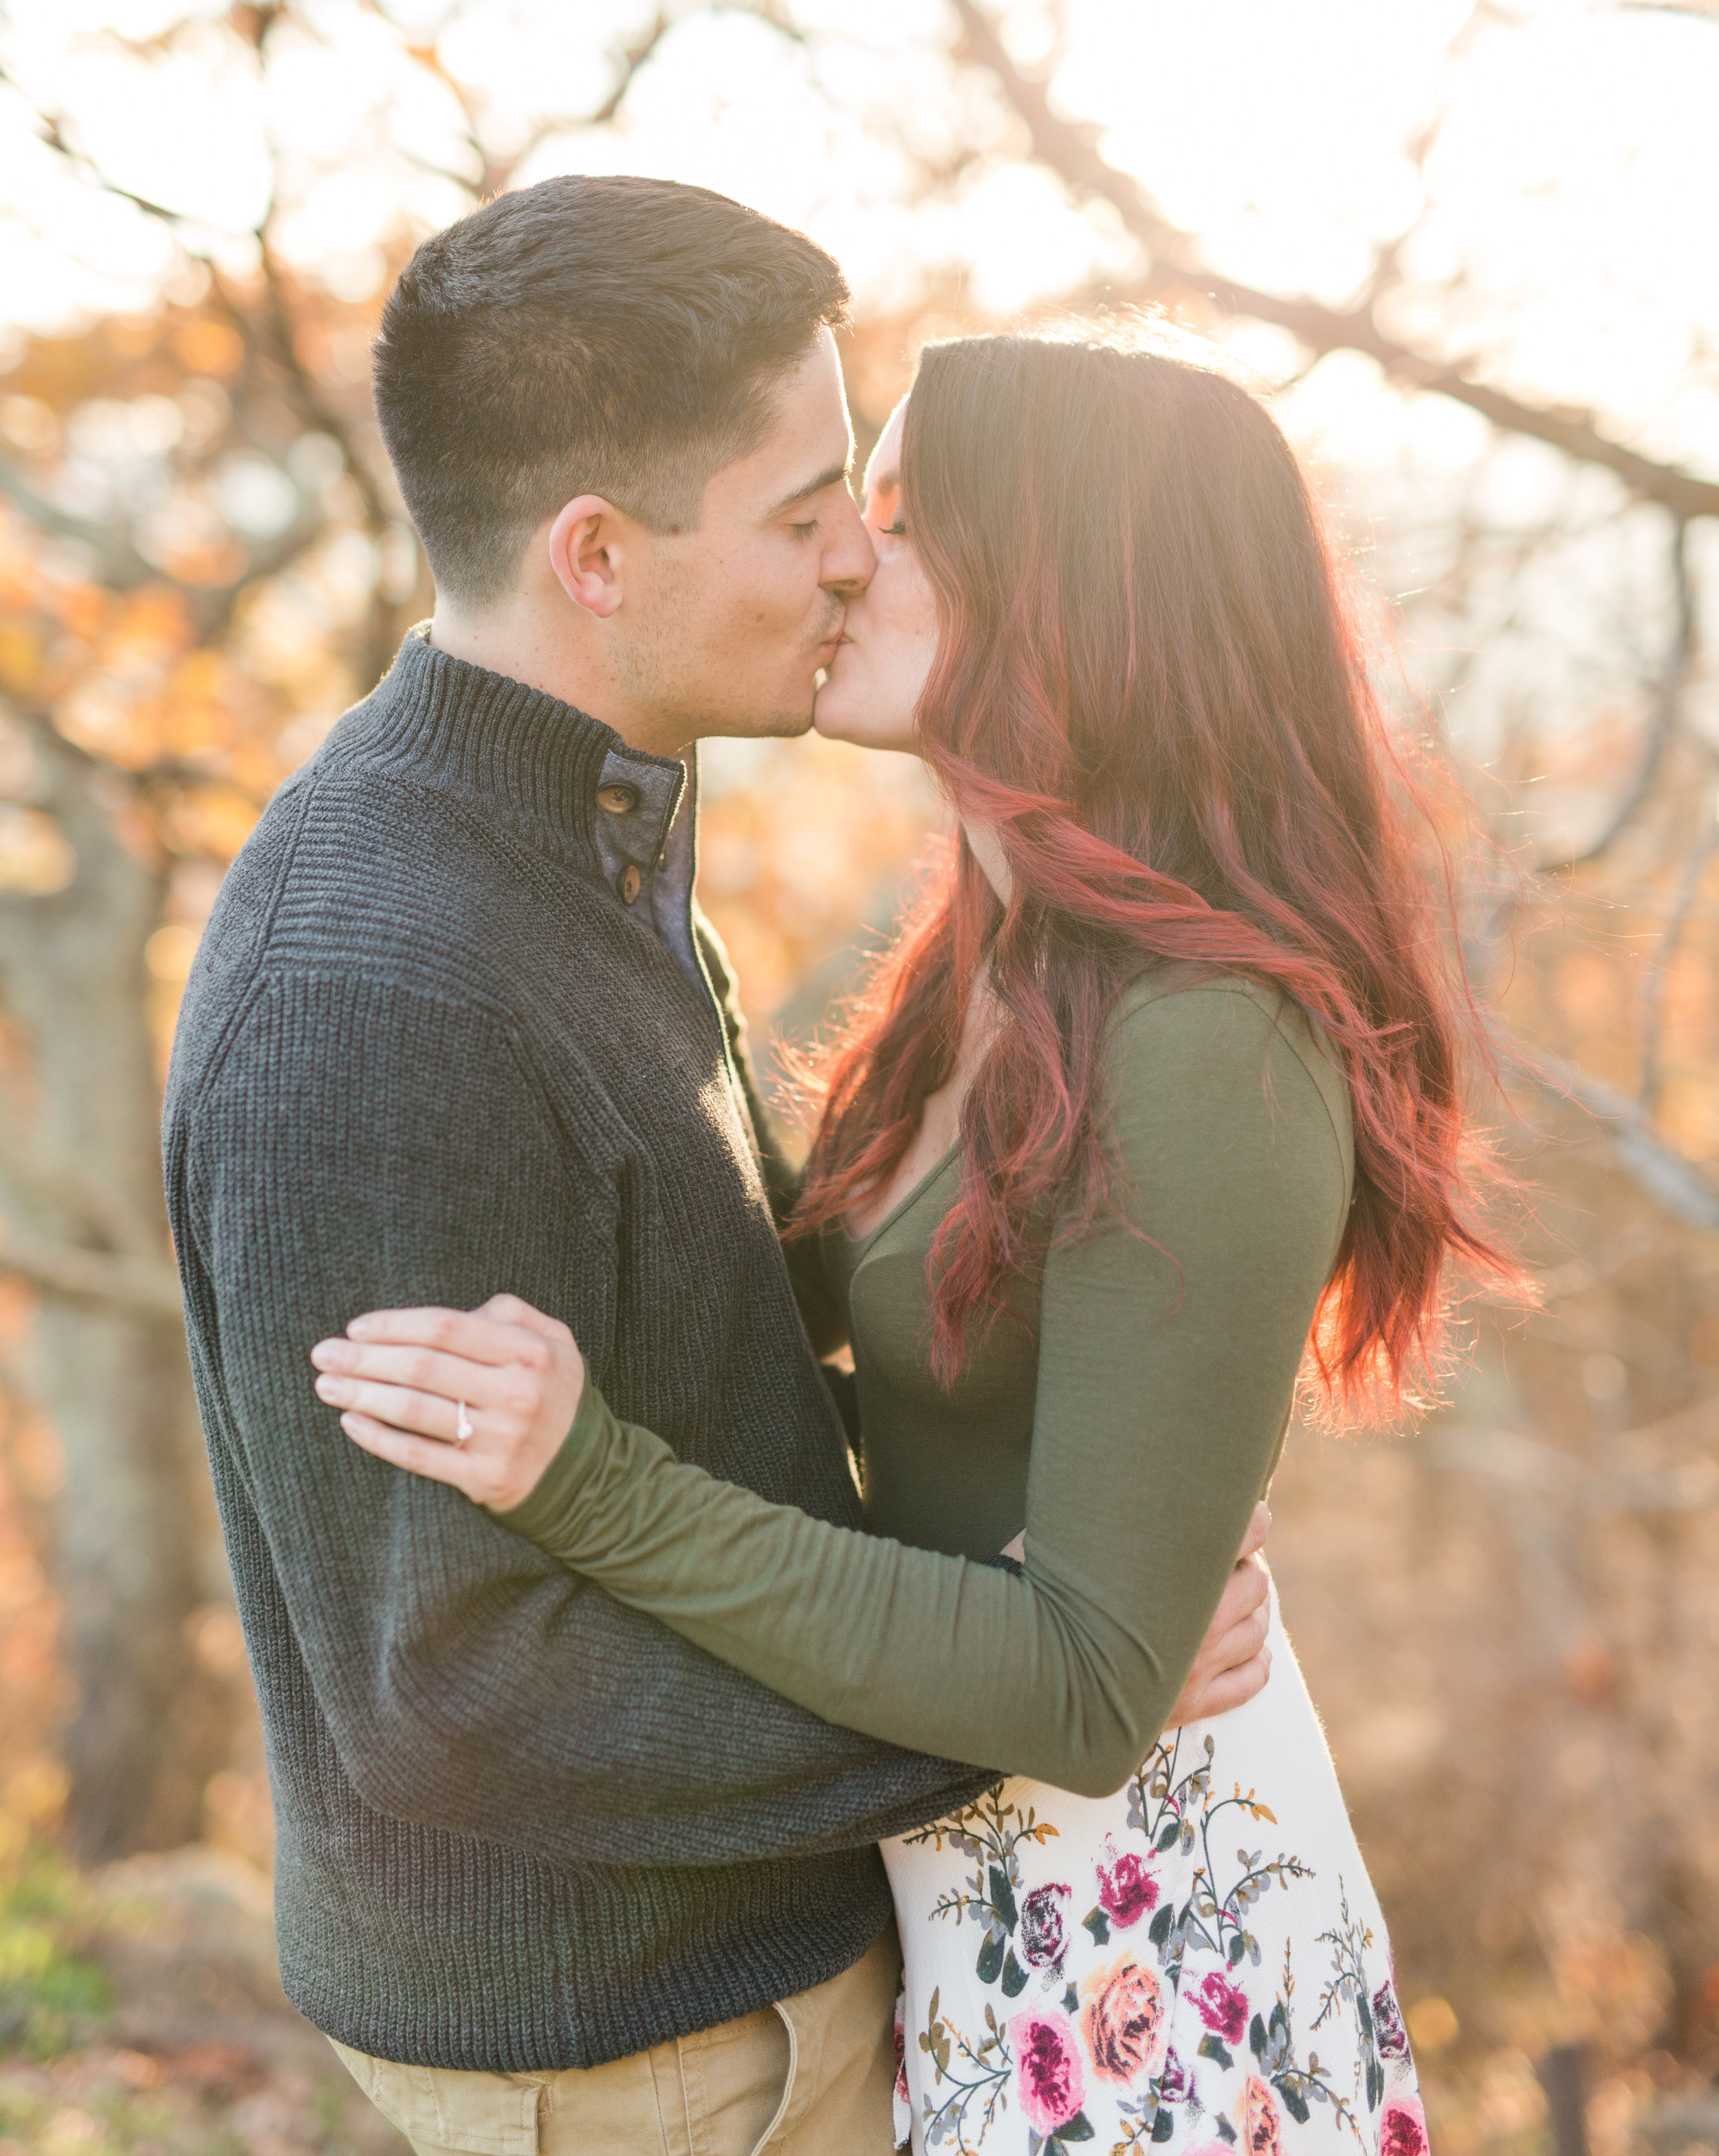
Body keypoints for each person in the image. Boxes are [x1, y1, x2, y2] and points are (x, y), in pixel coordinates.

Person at [163, 177, 1271, 2156]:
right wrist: (1014, 1703)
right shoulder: (380, 986)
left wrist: (1068, 1594)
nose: (853, 558)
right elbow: (453, 1690)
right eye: (807, 509)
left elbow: (715, 1357)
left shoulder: (590, 848)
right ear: (597, 555)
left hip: (765, 1976)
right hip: (645, 2054)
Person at [314, 329, 1502, 2156]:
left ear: (1070, 592)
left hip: (1140, 1949)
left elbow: (1088, 1688)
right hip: (972, 1887)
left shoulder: (1207, 1040)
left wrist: (590, 1482)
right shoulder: (1000, 970)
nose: (849, 557)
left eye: (902, 514)